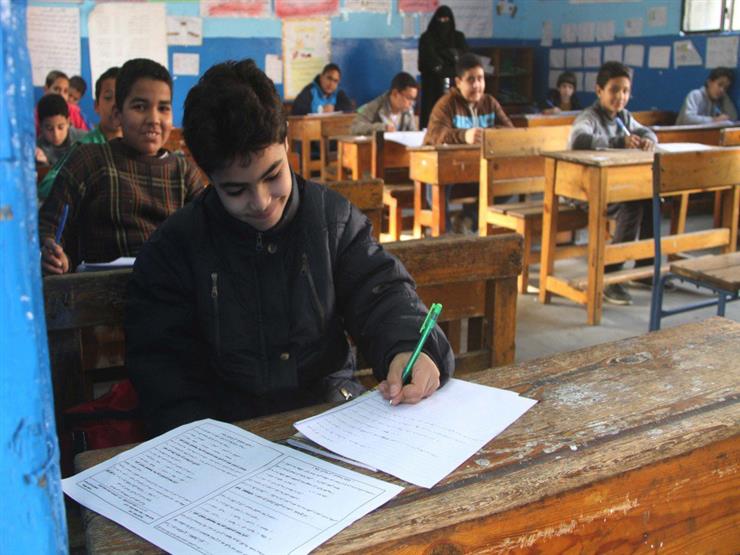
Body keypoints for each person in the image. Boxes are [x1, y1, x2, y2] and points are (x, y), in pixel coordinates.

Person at [125, 59, 454, 437]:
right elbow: (162, 364)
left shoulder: (333, 220)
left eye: (272, 175)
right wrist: (199, 437)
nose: (262, 202)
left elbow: (380, 292)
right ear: (206, 175)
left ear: (285, 143)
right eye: (236, 190)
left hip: (330, 414)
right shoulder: (177, 247)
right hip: (227, 430)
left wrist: (409, 348)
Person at [38, 58, 204, 275]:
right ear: (118, 114)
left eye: (163, 108)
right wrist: (54, 253)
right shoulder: (89, 160)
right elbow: (50, 223)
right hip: (98, 289)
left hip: (168, 287)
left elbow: (206, 236)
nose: (154, 119)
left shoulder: (184, 173)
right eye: (140, 107)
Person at [569, 61, 658, 306]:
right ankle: (611, 275)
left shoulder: (624, 117)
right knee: (632, 205)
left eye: (626, 91)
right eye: (614, 90)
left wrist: (648, 140)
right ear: (599, 91)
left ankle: (645, 267)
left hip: (613, 188)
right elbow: (578, 139)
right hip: (585, 190)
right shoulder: (589, 116)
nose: (620, 96)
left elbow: (647, 131)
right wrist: (618, 142)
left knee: (651, 199)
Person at [423, 53, 513, 233]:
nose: (477, 85)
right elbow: (435, 134)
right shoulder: (446, 104)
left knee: (509, 182)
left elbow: (510, 131)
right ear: (458, 82)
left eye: (480, 79)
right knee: (438, 180)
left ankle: (468, 218)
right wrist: (464, 136)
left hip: (478, 169)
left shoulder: (490, 102)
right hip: (449, 169)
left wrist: (488, 133)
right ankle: (446, 234)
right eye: (471, 80)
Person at [37, 67, 122, 200]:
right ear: (96, 106)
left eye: (121, 97)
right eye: (108, 97)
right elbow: (45, 187)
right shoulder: (83, 147)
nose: (115, 105)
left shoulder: (140, 147)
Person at [418, 5, 468, 128]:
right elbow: (428, 62)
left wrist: (442, 59)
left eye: (446, 19)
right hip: (431, 86)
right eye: (440, 19)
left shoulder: (458, 37)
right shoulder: (427, 38)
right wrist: (450, 59)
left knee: (454, 118)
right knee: (431, 119)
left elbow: (464, 61)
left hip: (455, 87)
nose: (443, 23)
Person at [350, 72, 418, 134]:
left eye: (413, 99)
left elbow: (413, 133)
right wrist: (382, 128)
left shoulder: (408, 110)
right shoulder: (376, 106)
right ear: (395, 93)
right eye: (409, 98)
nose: (411, 103)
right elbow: (354, 128)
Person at [35, 94, 87, 167]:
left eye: (61, 127)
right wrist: (44, 164)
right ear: (41, 126)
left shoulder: (85, 140)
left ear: (68, 122)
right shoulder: (37, 149)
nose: (56, 134)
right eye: (49, 129)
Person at [36, 70, 88, 134]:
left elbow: (86, 136)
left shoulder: (74, 112)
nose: (61, 94)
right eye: (56, 89)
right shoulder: (37, 113)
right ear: (46, 89)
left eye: (65, 91)